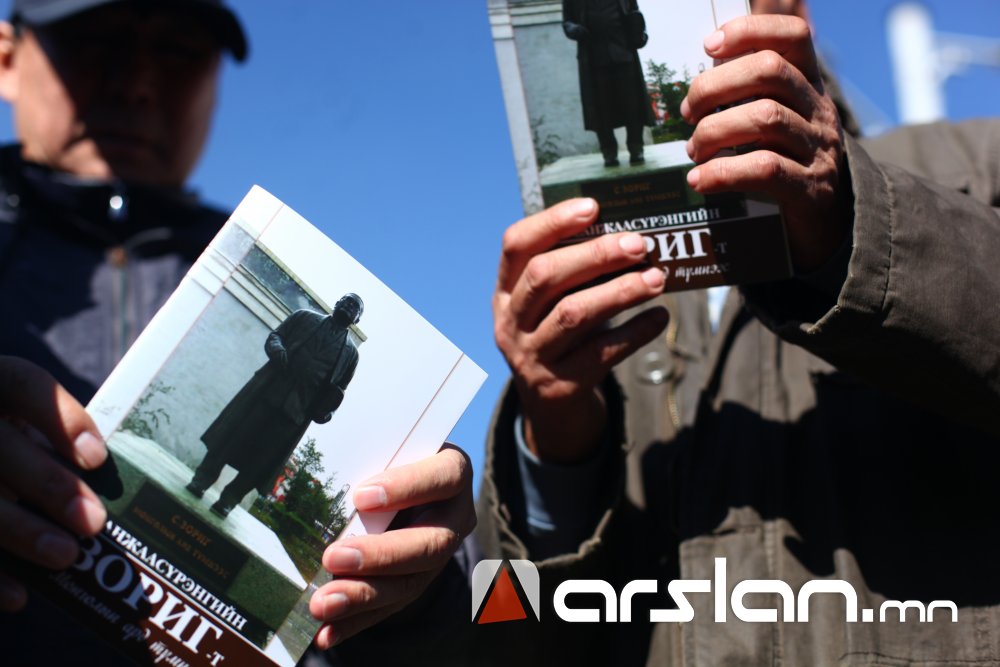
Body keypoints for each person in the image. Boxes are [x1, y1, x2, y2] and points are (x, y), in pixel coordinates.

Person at [475, 0, 1000, 664]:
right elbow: (501, 630)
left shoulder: (975, 162)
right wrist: (552, 451)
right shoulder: (599, 295)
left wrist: (854, 223)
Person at [0, 0, 475, 662]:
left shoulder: (231, 249)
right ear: (8, 59)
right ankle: (204, 484)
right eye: (95, 41)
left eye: (177, 53)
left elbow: (434, 633)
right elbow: (280, 339)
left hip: (289, 417)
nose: (137, 85)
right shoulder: (302, 316)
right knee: (228, 441)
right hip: (264, 393)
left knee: (253, 464)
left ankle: (222, 497)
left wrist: (408, 566)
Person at [187, 295, 365, 518]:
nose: (348, 306)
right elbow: (276, 336)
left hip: (295, 414)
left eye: (355, 307)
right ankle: (201, 480)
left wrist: (326, 413)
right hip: (266, 393)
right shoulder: (304, 317)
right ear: (336, 303)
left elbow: (338, 391)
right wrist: (277, 349)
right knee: (231, 437)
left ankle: (229, 500)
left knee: (260, 462)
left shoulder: (351, 354)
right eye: (346, 301)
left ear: (357, 320)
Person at [563, 0, 655, 167]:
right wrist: (573, 28)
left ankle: (636, 147)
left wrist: (638, 30)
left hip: (624, 54)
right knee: (600, 109)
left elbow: (635, 12)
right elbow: (567, 22)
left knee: (633, 105)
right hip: (594, 59)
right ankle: (608, 151)